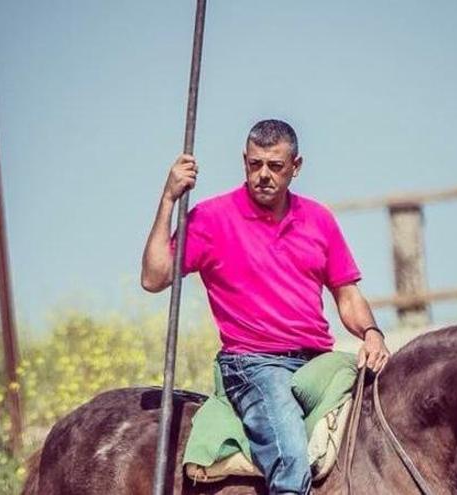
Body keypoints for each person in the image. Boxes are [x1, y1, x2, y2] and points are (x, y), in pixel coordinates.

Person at [140, 119, 389, 495]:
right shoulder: (211, 218)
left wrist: (372, 333)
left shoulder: (319, 219)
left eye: (275, 166)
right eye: (255, 164)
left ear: (296, 167)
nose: (263, 175)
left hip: (317, 361)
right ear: (244, 161)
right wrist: (168, 198)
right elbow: (154, 277)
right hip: (253, 364)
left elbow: (348, 296)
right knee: (290, 459)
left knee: (384, 413)